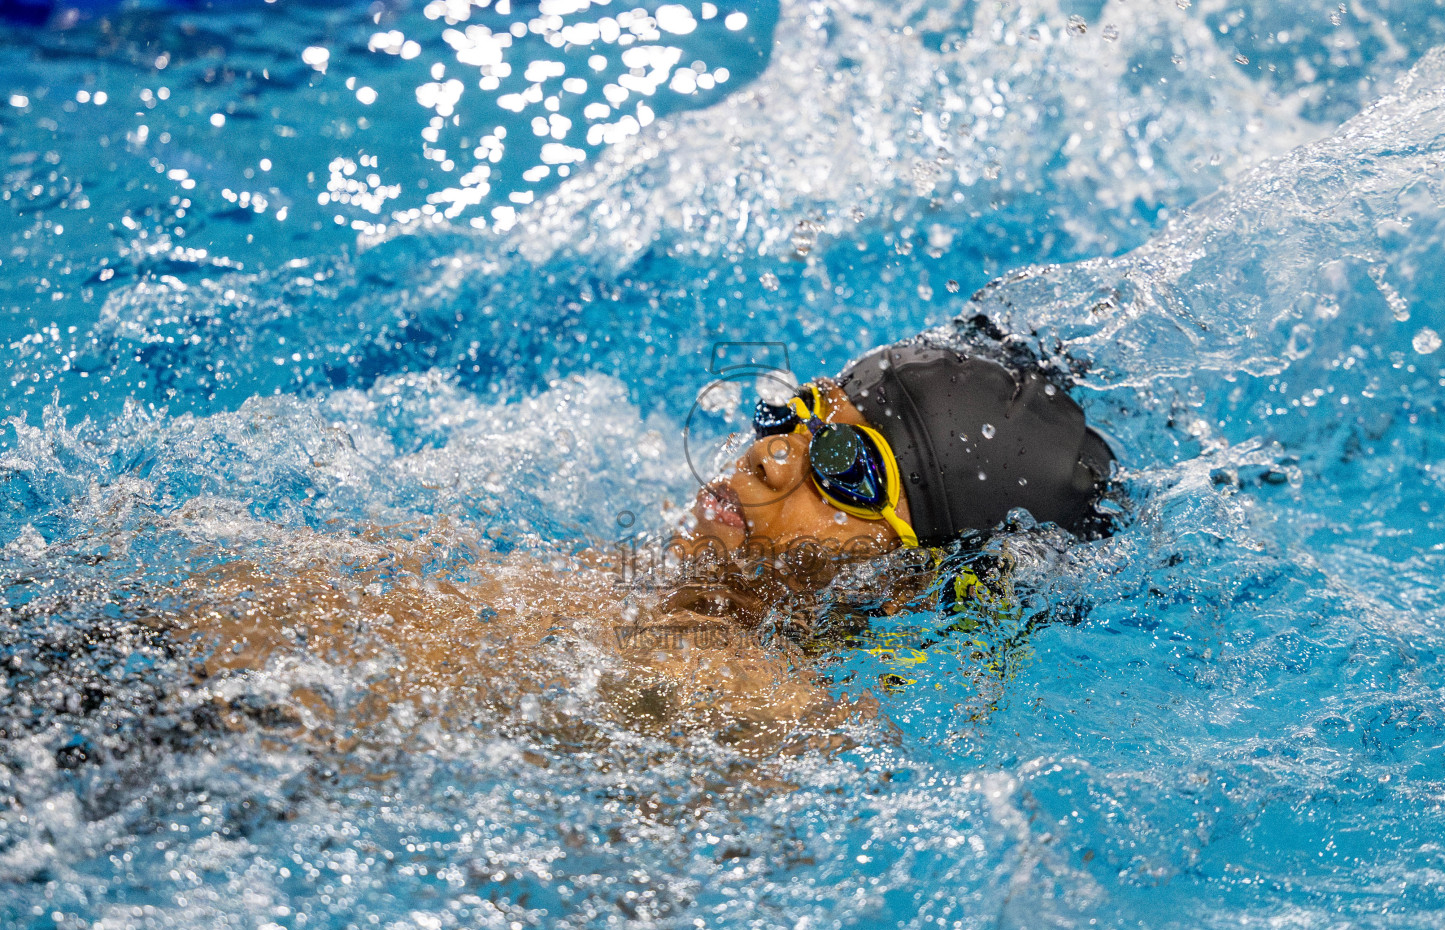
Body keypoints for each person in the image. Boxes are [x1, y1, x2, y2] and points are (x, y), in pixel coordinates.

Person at [166, 337, 1116, 761]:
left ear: (912, 582)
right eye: (800, 412)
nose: (771, 456)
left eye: (843, 467)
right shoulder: (668, 592)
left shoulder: (753, 707)